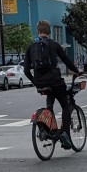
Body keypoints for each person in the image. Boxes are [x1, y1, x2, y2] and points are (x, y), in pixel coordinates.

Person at [22, 20, 82, 149]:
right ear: (49, 32)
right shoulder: (54, 45)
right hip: (55, 81)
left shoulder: (31, 47)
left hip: (40, 82)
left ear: (38, 31)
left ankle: (46, 129)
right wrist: (77, 71)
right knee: (65, 106)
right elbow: (66, 60)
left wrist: (36, 83)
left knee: (50, 105)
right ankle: (65, 135)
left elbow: (26, 71)